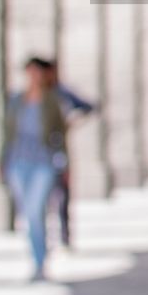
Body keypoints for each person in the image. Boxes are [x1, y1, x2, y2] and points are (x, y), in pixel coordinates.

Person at [1, 56, 67, 281]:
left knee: (35, 210)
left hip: (43, 162)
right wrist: (3, 160)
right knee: (28, 214)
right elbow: (8, 134)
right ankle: (36, 256)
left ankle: (40, 260)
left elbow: (61, 132)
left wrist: (64, 162)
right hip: (18, 163)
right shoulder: (17, 100)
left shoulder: (51, 101)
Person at [44, 61, 95, 248]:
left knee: (62, 193)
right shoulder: (32, 95)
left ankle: (64, 233)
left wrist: (72, 122)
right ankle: (45, 237)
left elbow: (89, 107)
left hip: (57, 151)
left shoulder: (61, 92)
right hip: (36, 156)